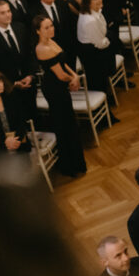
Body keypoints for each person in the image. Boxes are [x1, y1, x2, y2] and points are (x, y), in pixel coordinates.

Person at [33, 15, 87, 177]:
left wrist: (75, 76)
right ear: (38, 31)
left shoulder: (51, 41)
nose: (51, 29)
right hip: (54, 89)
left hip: (60, 85)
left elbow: (64, 65)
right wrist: (73, 79)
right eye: (46, 27)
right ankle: (68, 166)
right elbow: (60, 75)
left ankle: (76, 163)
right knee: (64, 125)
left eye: (51, 25)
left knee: (69, 122)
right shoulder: (42, 49)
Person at [0, 0, 36, 115]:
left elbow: (31, 54)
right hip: (7, 89)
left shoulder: (21, 28)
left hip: (28, 84)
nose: (8, 15)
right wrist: (12, 83)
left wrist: (30, 75)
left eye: (9, 11)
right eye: (2, 13)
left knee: (34, 115)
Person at [76, 0, 122, 113]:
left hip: (97, 48)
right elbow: (100, 43)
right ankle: (103, 110)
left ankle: (105, 98)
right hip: (93, 54)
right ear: (87, 3)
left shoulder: (95, 12)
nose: (99, 0)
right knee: (97, 82)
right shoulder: (89, 20)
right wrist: (109, 39)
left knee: (102, 80)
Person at [33, 0, 79, 65]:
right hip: (50, 54)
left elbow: (72, 26)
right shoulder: (34, 12)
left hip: (69, 51)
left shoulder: (63, 4)